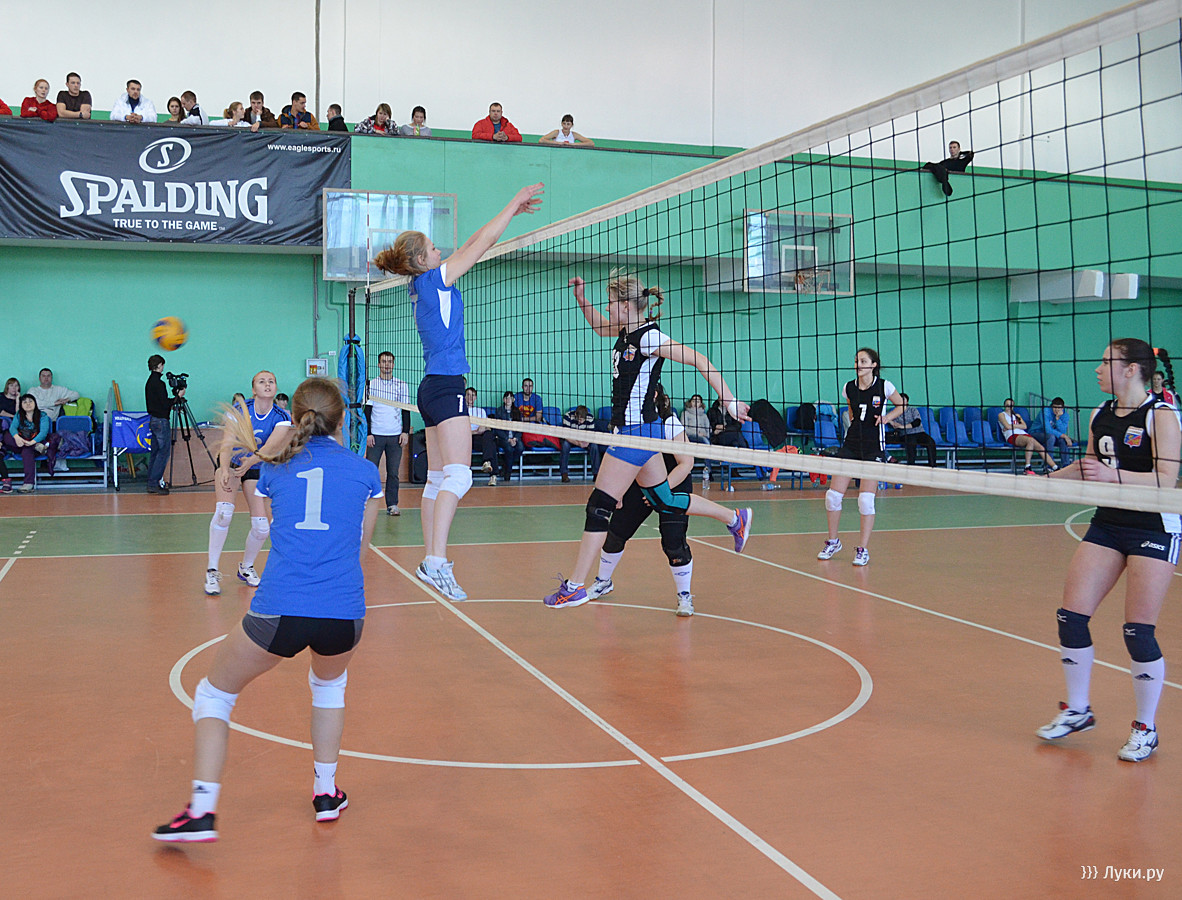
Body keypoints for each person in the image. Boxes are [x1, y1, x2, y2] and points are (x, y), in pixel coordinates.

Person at [153, 378, 384, 842]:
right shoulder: (365, 472)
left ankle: (202, 810)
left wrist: (266, 451)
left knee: (214, 694)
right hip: (344, 613)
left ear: (294, 419)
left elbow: (255, 496)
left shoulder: (274, 472)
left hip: (281, 610)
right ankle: (325, 792)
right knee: (329, 686)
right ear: (342, 419)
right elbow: (360, 549)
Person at [372, 183, 545, 601]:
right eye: (433, 248)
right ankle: (435, 561)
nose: (440, 251)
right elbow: (481, 244)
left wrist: (504, 218)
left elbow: (472, 244)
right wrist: (512, 203)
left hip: (430, 388)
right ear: (421, 260)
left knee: (436, 479)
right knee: (461, 475)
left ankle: (432, 559)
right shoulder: (434, 280)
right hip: (447, 385)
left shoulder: (419, 285)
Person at [543, 270, 753, 609]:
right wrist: (581, 299)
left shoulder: (649, 338)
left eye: (611, 303)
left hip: (636, 433)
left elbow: (699, 359)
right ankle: (734, 518)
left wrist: (728, 401)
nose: (608, 308)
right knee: (663, 498)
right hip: (641, 432)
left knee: (599, 506)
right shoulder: (626, 332)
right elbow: (598, 327)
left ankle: (575, 586)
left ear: (626, 305)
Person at [1037, 338, 1180, 762]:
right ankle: (1078, 709)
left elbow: (1167, 480)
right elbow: (1087, 468)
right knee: (1071, 617)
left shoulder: (1161, 415)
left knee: (1138, 631)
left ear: (1131, 369)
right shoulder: (1100, 413)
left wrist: (1112, 476)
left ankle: (1145, 728)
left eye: (1106, 362)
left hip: (1154, 525)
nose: (1098, 369)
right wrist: (1041, 482)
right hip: (1109, 523)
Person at [586, 384, 697, 616]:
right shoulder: (628, 424)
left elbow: (686, 463)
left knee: (673, 543)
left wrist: (661, 491)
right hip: (641, 483)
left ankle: (684, 596)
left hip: (673, 482)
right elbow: (622, 462)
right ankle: (603, 581)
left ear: (652, 396)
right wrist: (616, 492)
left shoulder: (669, 422)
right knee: (615, 532)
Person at [205, 371, 293, 596]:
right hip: (233, 462)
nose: (267, 384)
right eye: (262, 382)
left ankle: (246, 567)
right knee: (224, 513)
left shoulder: (281, 416)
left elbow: (269, 448)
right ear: (254, 389)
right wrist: (225, 469)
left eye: (271, 381)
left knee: (262, 527)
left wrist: (250, 463)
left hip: (256, 467)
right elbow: (227, 443)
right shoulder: (240, 410)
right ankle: (212, 571)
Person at [817, 348, 905, 567]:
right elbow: (851, 412)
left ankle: (863, 549)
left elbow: (901, 405)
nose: (858, 364)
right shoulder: (849, 387)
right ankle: (833, 542)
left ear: (874, 365)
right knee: (832, 496)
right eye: (857, 360)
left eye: (863, 361)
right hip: (852, 444)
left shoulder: (884, 386)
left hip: (874, 447)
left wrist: (886, 418)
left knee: (865, 500)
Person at [364, 351, 410, 515]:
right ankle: (366, 502)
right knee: (371, 471)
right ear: (379, 364)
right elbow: (367, 411)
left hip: (395, 436)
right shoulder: (371, 385)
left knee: (393, 473)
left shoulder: (401, 385)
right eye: (384, 362)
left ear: (393, 364)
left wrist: (405, 432)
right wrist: (368, 433)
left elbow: (406, 410)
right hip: (376, 435)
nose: (387, 365)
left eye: (390, 362)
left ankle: (392, 505)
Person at [145, 355, 181, 495]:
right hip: (161, 421)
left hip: (153, 420)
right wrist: (177, 397)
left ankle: (151, 482)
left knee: (155, 452)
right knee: (163, 452)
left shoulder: (149, 382)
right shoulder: (159, 383)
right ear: (159, 365)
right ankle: (154, 483)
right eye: (162, 365)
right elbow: (165, 404)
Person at [2, 394, 54, 491]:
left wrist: (32, 443)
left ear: (35, 403)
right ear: (21, 405)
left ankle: (28, 483)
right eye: (25, 402)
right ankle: (36, 446)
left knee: (27, 451)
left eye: (30, 401)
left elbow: (43, 433)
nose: (28, 404)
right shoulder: (19, 415)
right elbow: (13, 428)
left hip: (33, 443)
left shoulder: (43, 416)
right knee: (7, 435)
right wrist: (17, 438)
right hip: (19, 443)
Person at [29, 367, 76, 470]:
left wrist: (67, 399)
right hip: (36, 424)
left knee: (57, 437)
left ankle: (52, 464)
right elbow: (34, 404)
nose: (46, 378)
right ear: (39, 378)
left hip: (53, 424)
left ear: (52, 378)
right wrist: (54, 403)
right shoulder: (33, 390)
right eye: (43, 376)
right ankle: (43, 465)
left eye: (48, 376)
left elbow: (76, 394)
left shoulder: (59, 390)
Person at [998, 398, 1058, 475]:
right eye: (1007, 405)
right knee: (1030, 440)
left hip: (1024, 434)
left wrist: (1012, 426)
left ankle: (1055, 467)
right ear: (1004, 405)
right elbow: (1007, 426)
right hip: (1012, 435)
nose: (1009, 407)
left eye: (1011, 405)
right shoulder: (1001, 414)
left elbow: (1025, 426)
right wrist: (1014, 426)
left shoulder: (1017, 415)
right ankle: (1027, 467)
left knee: (1041, 448)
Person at [887, 392, 937, 466]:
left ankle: (932, 465)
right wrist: (892, 423)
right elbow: (885, 418)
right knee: (911, 442)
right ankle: (911, 465)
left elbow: (917, 422)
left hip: (919, 433)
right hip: (906, 434)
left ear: (907, 401)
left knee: (931, 442)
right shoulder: (894, 412)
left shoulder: (913, 410)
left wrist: (902, 426)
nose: (902, 401)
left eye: (904, 400)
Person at [1030, 397, 1075, 469]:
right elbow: (1047, 430)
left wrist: (1058, 419)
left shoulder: (1065, 415)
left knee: (1062, 440)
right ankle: (1049, 466)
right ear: (1051, 406)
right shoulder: (1045, 411)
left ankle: (1066, 466)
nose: (1056, 410)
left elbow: (1062, 431)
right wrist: (1065, 436)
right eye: (1054, 407)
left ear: (1062, 408)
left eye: (1059, 408)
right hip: (1036, 433)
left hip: (1052, 436)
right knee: (1051, 437)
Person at [559, 405, 599, 483]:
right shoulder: (568, 416)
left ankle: (596, 474)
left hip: (585, 439)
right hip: (571, 439)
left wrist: (586, 442)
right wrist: (578, 443)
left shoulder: (590, 418)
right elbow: (565, 435)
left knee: (594, 446)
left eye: (583, 419)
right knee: (565, 445)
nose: (581, 422)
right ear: (575, 415)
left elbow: (591, 435)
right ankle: (564, 474)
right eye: (579, 419)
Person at [466, 388, 499, 482]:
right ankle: (493, 474)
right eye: (468, 395)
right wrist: (476, 432)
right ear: (464, 397)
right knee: (491, 444)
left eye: (473, 395)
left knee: (489, 436)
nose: (470, 397)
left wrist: (484, 428)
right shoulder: (462, 412)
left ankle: (487, 462)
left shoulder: (481, 411)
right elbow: (459, 431)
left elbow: (488, 427)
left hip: (481, 438)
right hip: (468, 438)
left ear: (475, 397)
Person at [492, 391, 524, 483]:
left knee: (520, 448)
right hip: (503, 438)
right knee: (509, 449)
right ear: (503, 400)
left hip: (514, 437)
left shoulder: (517, 411)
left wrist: (515, 438)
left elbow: (520, 428)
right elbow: (497, 429)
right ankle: (508, 472)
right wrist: (508, 439)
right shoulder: (499, 411)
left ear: (513, 400)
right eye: (507, 398)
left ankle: (505, 466)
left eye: (510, 398)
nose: (508, 400)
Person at [682, 393, 712, 482]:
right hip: (690, 437)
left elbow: (708, 429)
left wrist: (705, 434)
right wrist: (698, 434)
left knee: (706, 442)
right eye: (693, 401)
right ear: (690, 402)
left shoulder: (704, 415)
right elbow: (684, 429)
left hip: (703, 437)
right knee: (706, 442)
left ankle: (708, 471)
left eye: (698, 401)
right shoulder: (685, 413)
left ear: (701, 404)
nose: (695, 403)